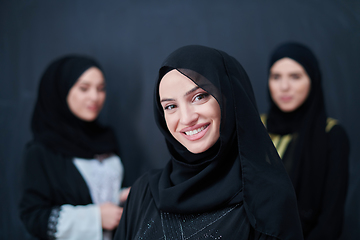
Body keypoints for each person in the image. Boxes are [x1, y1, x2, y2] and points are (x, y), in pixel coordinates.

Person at [114, 45, 303, 240]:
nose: (186, 118)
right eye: (170, 106)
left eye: (199, 97)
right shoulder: (143, 192)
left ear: (228, 97)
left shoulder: (268, 198)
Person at [19, 55, 129, 240]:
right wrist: (95, 217)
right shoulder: (41, 151)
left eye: (101, 89)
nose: (95, 97)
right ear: (61, 90)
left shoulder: (106, 139)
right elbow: (33, 216)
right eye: (84, 88)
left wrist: (125, 196)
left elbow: (97, 191)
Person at [261, 42, 349, 239]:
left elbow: (331, 220)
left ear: (313, 79)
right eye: (276, 77)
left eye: (295, 76)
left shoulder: (332, 134)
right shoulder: (256, 127)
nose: (284, 87)